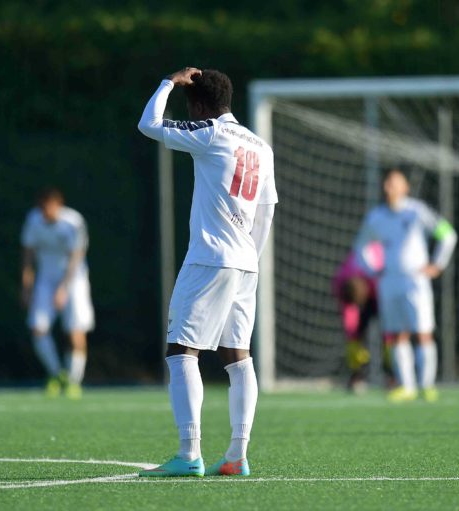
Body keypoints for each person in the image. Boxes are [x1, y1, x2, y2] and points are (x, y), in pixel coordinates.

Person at [137, 67, 278, 477]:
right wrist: (250, 257)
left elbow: (149, 124)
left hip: (210, 258)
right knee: (238, 358)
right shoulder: (261, 146)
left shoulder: (212, 132)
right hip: (246, 261)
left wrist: (167, 82)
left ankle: (189, 454)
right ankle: (237, 454)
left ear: (199, 107)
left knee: (181, 351)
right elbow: (266, 212)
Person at [353, 167, 457, 403]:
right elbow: (360, 247)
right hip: (389, 281)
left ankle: (427, 386)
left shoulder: (416, 211)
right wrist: (372, 271)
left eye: (394, 183)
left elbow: (448, 234)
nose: (388, 187)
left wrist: (437, 264)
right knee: (397, 334)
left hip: (415, 280)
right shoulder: (376, 217)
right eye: (387, 182)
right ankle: (407, 386)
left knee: (423, 332)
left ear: (405, 188)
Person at [20, 188, 94, 399]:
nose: (46, 212)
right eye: (42, 207)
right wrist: (26, 286)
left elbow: (76, 256)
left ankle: (73, 382)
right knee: (38, 328)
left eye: (50, 207)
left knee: (75, 331)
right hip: (45, 279)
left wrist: (63, 288)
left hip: (74, 280)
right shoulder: (33, 220)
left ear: (58, 206)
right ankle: (57, 375)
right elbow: (28, 255)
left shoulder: (73, 222)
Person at [331, 242, 388, 392]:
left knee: (389, 333)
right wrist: (353, 339)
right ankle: (357, 376)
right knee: (354, 336)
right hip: (360, 288)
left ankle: (393, 375)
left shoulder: (376, 276)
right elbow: (350, 321)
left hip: (382, 290)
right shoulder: (341, 282)